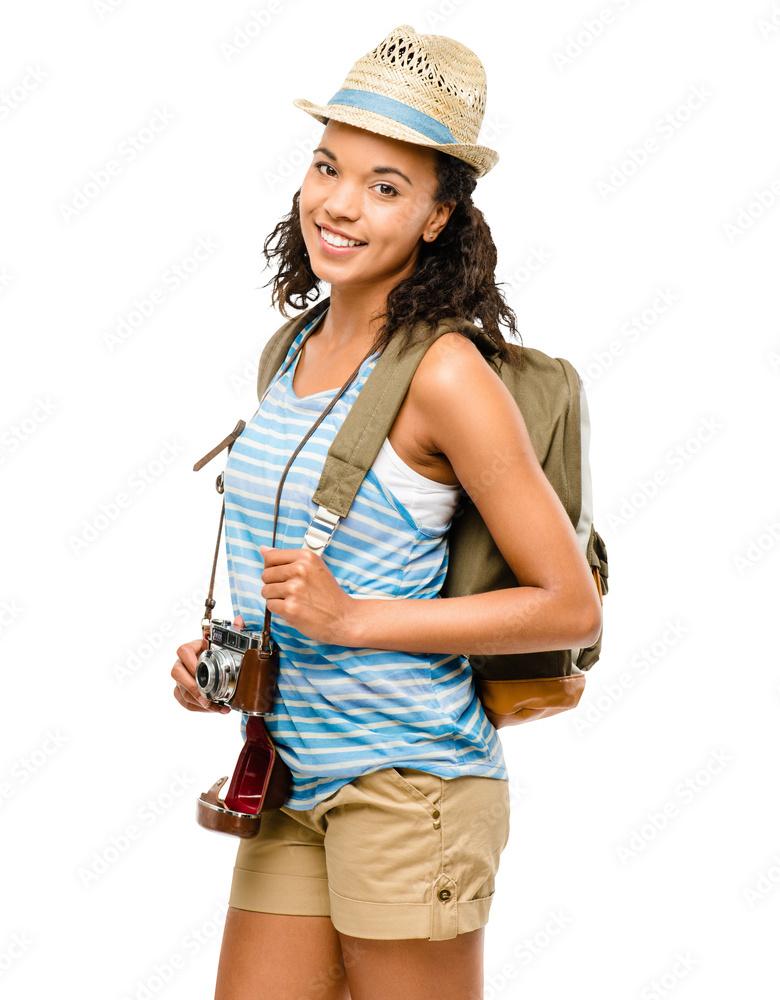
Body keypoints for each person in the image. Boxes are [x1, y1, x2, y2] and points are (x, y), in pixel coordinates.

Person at [171, 24, 602, 1000]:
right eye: (328, 167)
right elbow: (306, 569)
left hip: (414, 788)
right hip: (291, 772)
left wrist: (356, 620)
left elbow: (571, 604)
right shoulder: (288, 352)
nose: (339, 203)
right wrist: (224, 667)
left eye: (385, 185)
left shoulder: (445, 373)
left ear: (439, 216)